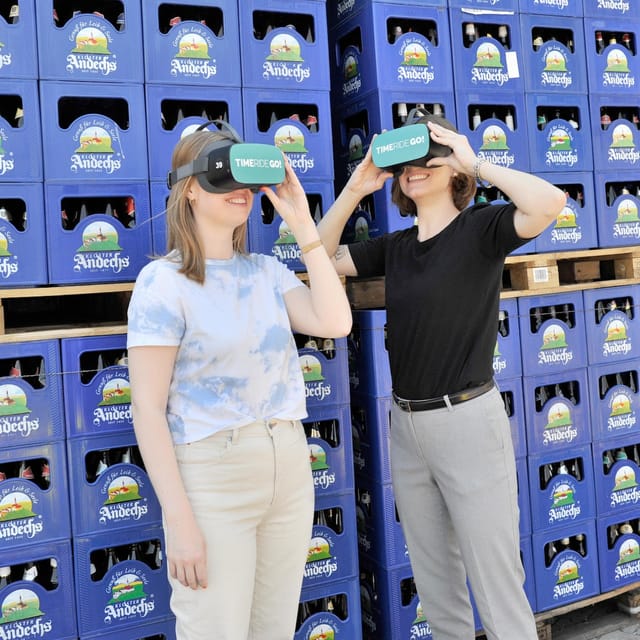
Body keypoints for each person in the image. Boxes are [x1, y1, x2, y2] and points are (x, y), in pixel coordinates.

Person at [317, 111, 566, 640]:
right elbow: (320, 254)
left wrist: (476, 160)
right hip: (407, 428)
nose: (416, 169)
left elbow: (549, 204)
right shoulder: (396, 248)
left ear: (455, 170)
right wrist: (357, 187)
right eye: (407, 162)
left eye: (430, 157)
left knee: (497, 588)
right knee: (437, 591)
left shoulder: (482, 229)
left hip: (469, 420)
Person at [126, 125, 351, 640]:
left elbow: (335, 321)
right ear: (189, 188)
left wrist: (300, 221)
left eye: (248, 179)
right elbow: (147, 409)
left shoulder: (268, 272)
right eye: (222, 175)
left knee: (272, 630)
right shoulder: (163, 283)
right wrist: (180, 521)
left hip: (288, 468)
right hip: (212, 477)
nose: (241, 190)